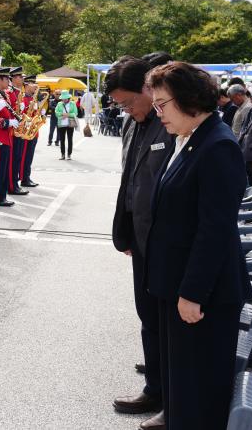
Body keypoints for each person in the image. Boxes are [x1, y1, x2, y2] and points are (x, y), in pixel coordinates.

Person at [144, 61, 250, 430]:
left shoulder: (217, 145)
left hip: (202, 293)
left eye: (162, 105)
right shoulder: (189, 137)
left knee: (198, 390)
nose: (158, 114)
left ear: (188, 99)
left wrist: (193, 292)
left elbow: (215, 229)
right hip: (176, 282)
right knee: (181, 384)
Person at [106, 57, 173, 430]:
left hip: (165, 239)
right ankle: (156, 384)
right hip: (140, 235)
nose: (127, 110)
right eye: (120, 105)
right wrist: (127, 231)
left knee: (166, 321)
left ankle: (167, 395)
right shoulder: (134, 123)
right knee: (148, 315)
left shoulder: (170, 124)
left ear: (148, 88)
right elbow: (129, 178)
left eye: (129, 101)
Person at [0, 67, 20, 206]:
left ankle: (2, 196)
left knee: (4, 168)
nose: (8, 81)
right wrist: (8, 122)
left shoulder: (3, 95)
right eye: (6, 79)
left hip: (6, 136)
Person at [8, 67, 29, 196]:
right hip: (12, 131)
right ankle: (12, 185)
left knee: (17, 158)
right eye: (20, 77)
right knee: (13, 159)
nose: (22, 79)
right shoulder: (10, 92)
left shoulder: (19, 92)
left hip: (19, 129)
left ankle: (15, 184)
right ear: (14, 78)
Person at [19, 76, 42, 188]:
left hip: (33, 131)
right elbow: (22, 114)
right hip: (26, 131)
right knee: (24, 156)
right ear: (27, 85)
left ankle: (27, 176)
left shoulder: (33, 98)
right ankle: (23, 178)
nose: (36, 86)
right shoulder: (23, 98)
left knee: (29, 156)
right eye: (33, 84)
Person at [55, 91, 77, 160]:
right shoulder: (59, 104)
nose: (64, 99)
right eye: (63, 98)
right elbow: (56, 112)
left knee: (70, 139)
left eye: (65, 98)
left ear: (68, 98)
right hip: (61, 124)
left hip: (70, 124)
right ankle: (63, 154)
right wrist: (62, 114)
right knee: (62, 140)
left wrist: (68, 115)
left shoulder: (72, 103)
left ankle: (69, 154)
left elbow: (75, 113)